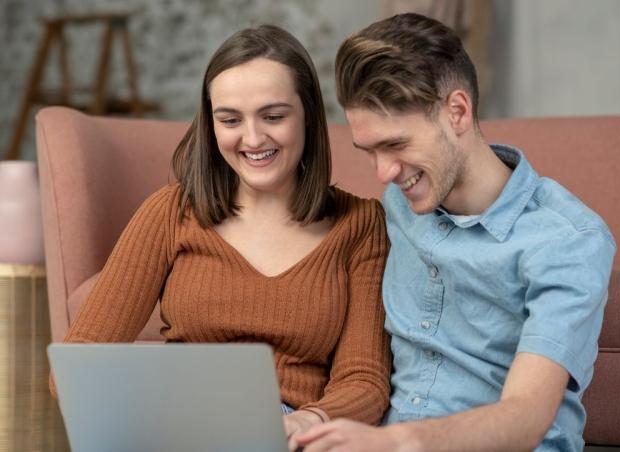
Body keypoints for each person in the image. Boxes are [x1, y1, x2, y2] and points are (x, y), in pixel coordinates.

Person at [54, 25, 391, 451]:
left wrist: (311, 419)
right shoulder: (171, 212)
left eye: (273, 116)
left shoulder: (360, 225)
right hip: (178, 425)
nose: (252, 139)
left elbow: (365, 379)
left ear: (308, 114)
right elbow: (78, 362)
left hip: (296, 435)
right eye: (230, 119)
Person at [297, 13, 615, 452]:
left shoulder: (568, 240)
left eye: (395, 145)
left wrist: (394, 443)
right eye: (369, 151)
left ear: (458, 112)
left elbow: (526, 417)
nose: (384, 172)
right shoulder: (398, 204)